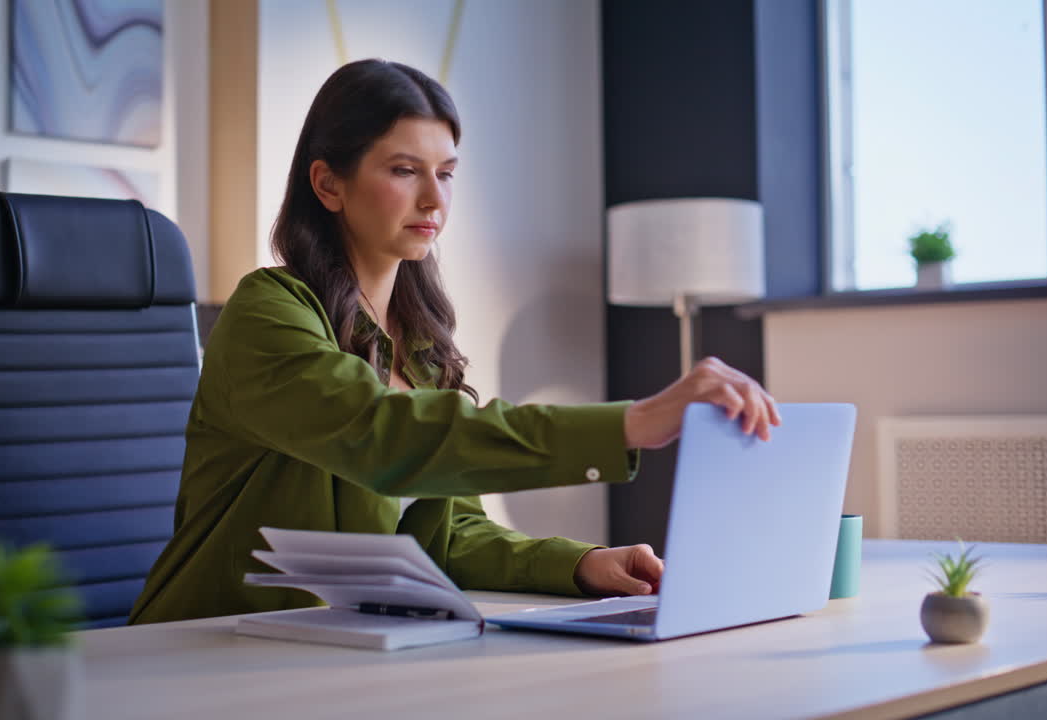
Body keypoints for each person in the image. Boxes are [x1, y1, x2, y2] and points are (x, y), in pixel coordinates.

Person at [128, 59, 779, 625]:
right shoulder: (268, 314)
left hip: (335, 654)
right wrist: (631, 424)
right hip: (207, 651)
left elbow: (451, 536)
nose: (434, 198)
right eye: (405, 170)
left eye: (447, 172)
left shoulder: (420, 343)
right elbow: (387, 436)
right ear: (328, 184)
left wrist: (584, 565)